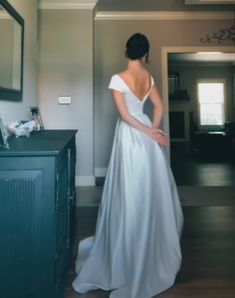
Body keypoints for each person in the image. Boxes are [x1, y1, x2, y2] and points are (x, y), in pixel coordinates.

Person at [72, 32, 183, 298]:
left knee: (129, 189)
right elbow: (158, 107)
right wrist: (153, 131)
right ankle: (146, 240)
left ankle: (127, 243)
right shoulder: (149, 77)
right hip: (145, 133)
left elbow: (124, 115)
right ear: (146, 54)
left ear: (126, 51)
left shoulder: (117, 78)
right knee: (149, 189)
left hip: (130, 136)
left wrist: (148, 133)